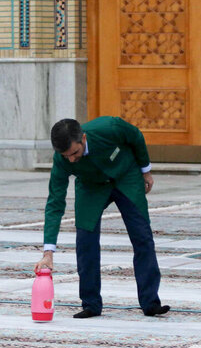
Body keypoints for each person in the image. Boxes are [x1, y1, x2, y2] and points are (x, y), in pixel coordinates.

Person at [34, 116, 170, 319]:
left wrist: (146, 171)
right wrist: (48, 251)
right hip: (91, 187)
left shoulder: (109, 127)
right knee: (85, 240)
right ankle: (91, 304)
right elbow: (55, 202)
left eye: (74, 153)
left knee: (142, 236)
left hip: (126, 177)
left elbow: (135, 136)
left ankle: (150, 302)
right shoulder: (61, 159)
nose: (71, 159)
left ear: (84, 139)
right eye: (66, 156)